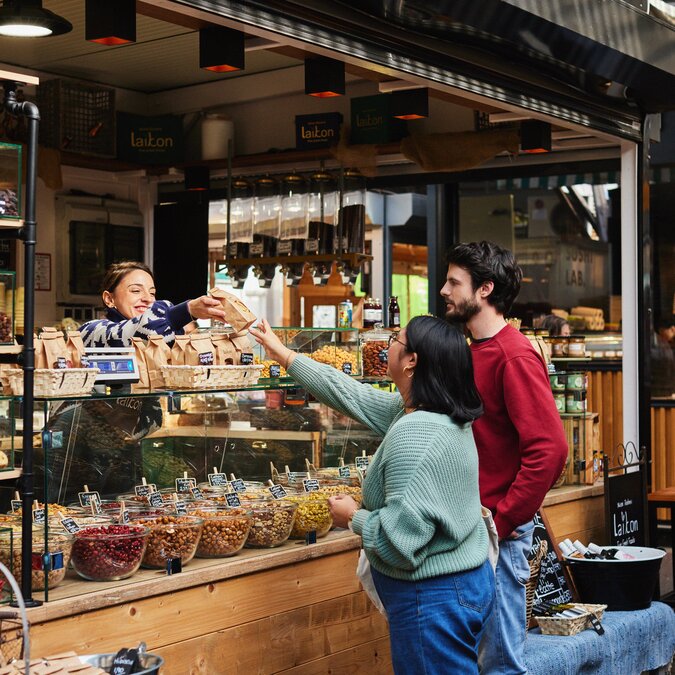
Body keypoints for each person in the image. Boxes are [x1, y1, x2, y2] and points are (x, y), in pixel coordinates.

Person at [250, 316, 494, 674]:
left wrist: (352, 516)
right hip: (463, 583)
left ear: (412, 361)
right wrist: (283, 353)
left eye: (395, 338)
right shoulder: (429, 412)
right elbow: (351, 393)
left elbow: (400, 542)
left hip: (434, 597)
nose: (386, 345)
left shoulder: (416, 435)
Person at [441, 241, 568, 675]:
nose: (444, 290)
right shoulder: (469, 350)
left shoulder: (513, 355)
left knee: (500, 667)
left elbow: (550, 450)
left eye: (454, 282)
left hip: (494, 536)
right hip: (468, 532)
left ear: (485, 289)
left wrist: (503, 519)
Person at [79, 260, 227, 347]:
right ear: (109, 299)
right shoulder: (91, 331)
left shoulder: (166, 334)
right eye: (136, 290)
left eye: (152, 293)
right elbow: (137, 332)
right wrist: (188, 310)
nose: (148, 299)